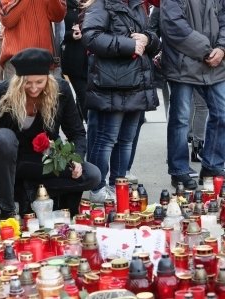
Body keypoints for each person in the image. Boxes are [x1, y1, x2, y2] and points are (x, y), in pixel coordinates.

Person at [0, 48, 101, 218]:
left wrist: (76, 158)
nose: (34, 88)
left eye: (39, 82)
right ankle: (8, 211)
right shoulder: (2, 90)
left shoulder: (60, 91)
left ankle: (28, 190)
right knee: (4, 137)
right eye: (28, 82)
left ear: (48, 79)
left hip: (35, 161)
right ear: (19, 81)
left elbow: (77, 132)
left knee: (92, 175)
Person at [81, 0, 160, 202]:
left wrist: (148, 39)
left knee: (126, 140)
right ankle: (97, 188)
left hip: (136, 82)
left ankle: (119, 185)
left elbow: (151, 36)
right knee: (107, 139)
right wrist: (129, 44)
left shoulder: (138, 4)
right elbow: (91, 37)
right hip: (111, 83)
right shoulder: (100, 4)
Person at [160, 0, 225, 189]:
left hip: (214, 63)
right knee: (180, 119)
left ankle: (212, 166)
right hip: (183, 64)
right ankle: (179, 170)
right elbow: (173, 25)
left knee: (221, 113)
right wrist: (207, 51)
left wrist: (221, 48)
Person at [0, 0, 66, 80]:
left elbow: (58, 16)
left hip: (44, 60)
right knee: (17, 92)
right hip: (17, 62)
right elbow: (7, 19)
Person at [61, 0, 88, 122]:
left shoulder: (94, 4)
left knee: (87, 98)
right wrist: (70, 34)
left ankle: (80, 130)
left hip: (93, 59)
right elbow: (57, 32)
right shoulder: (63, 4)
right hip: (74, 59)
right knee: (84, 96)